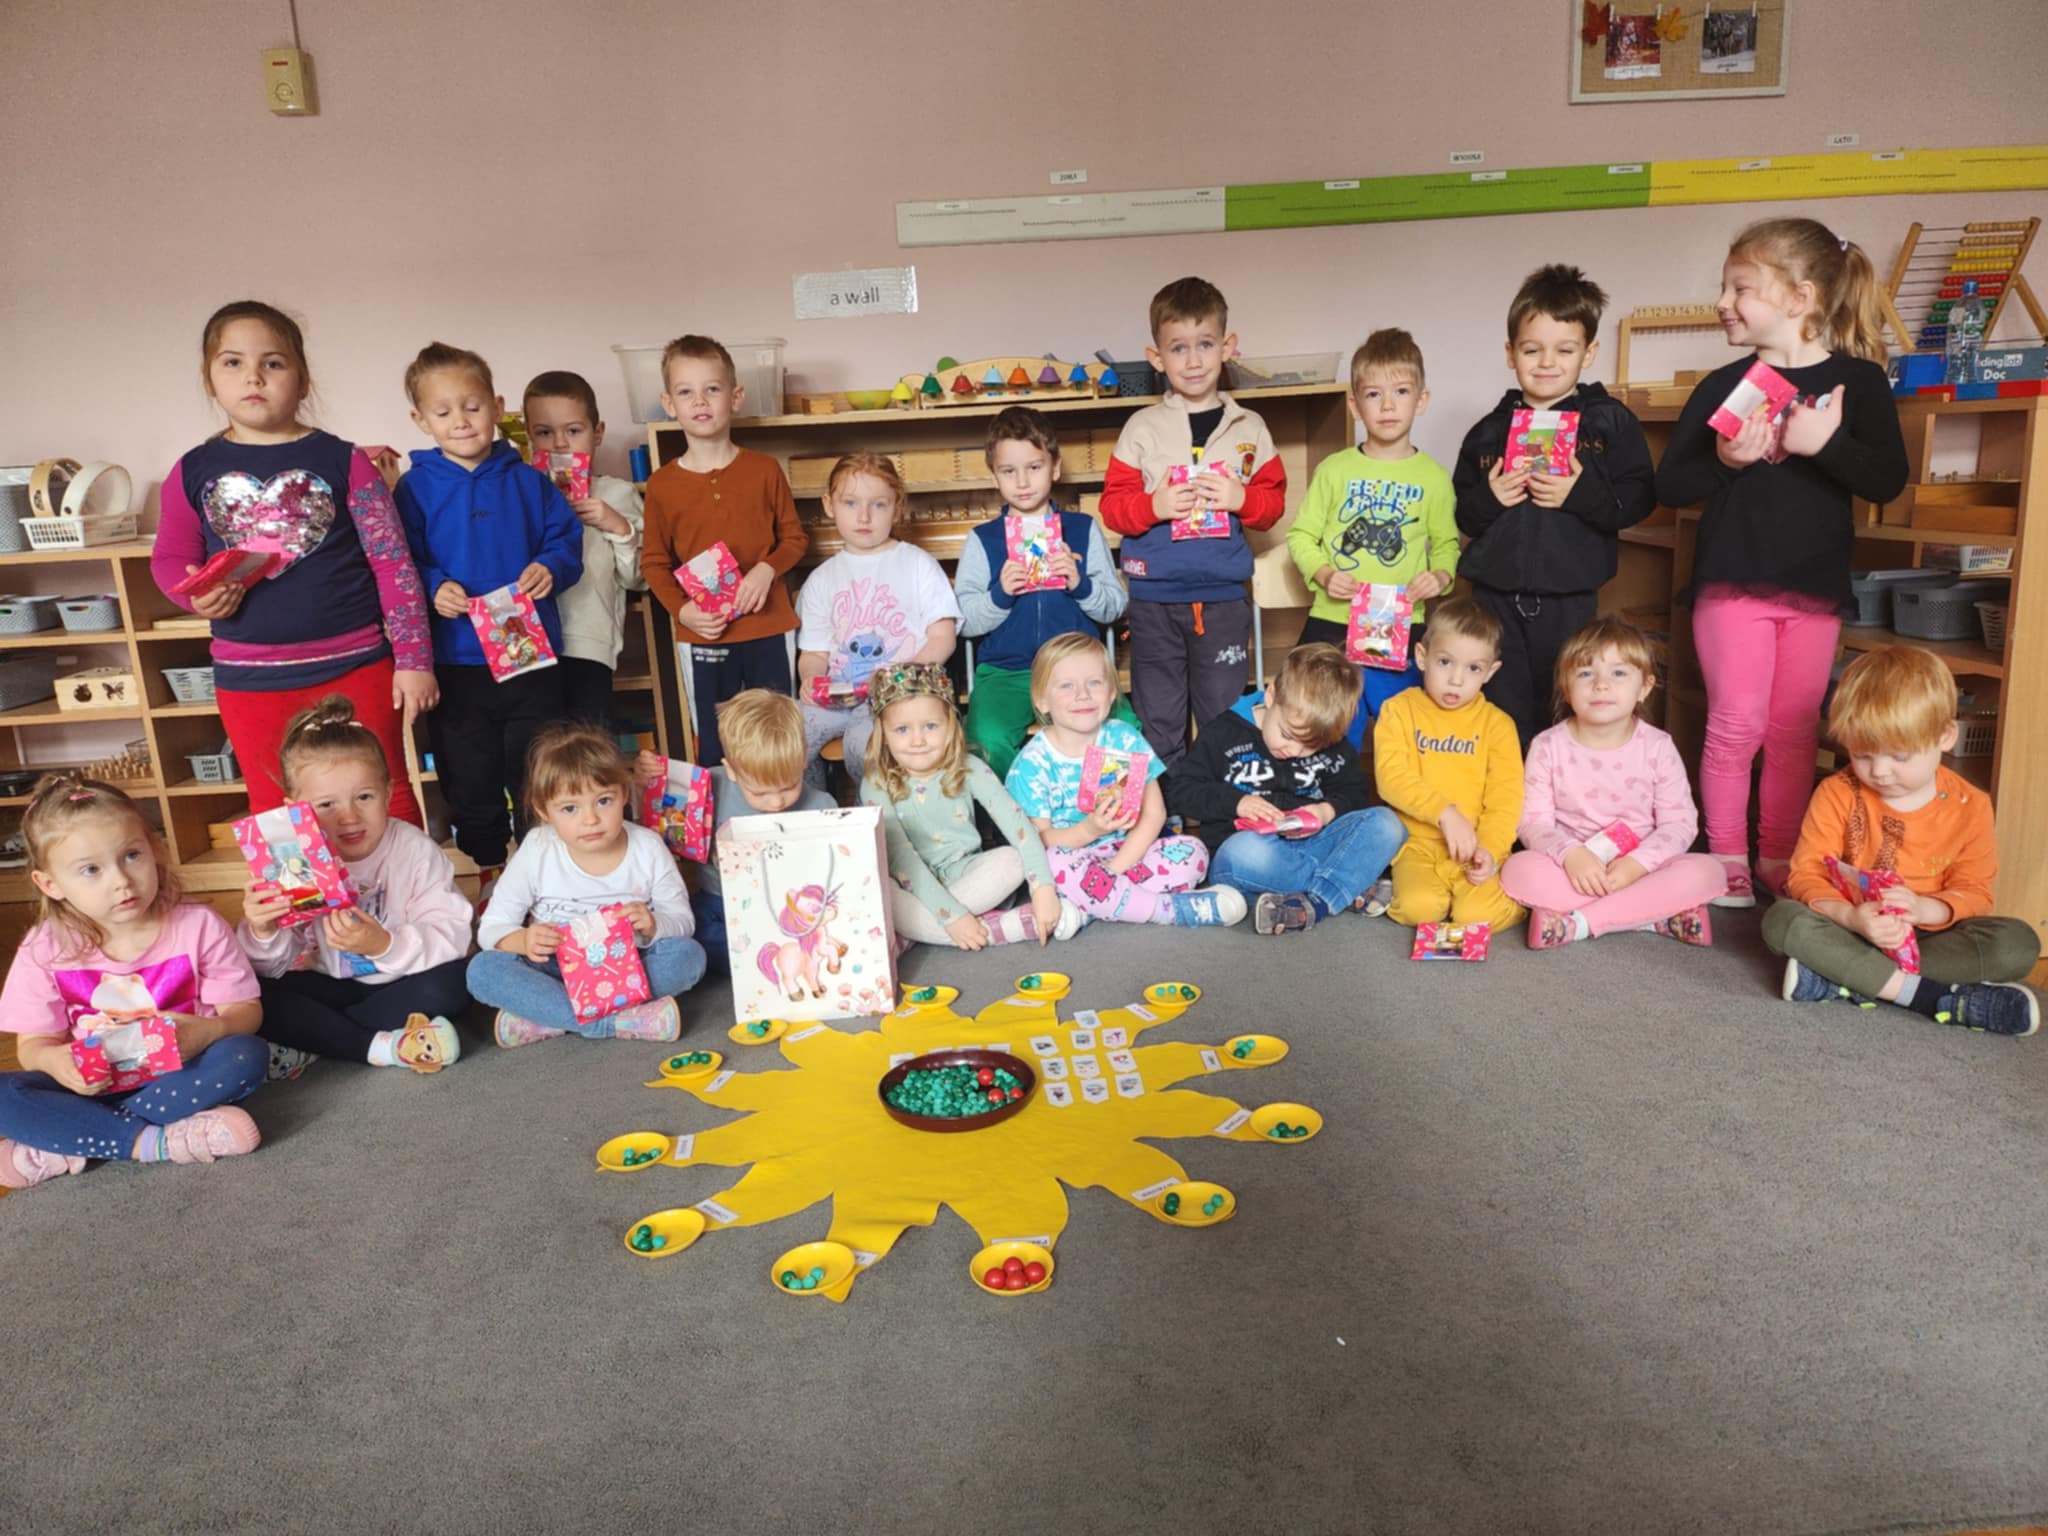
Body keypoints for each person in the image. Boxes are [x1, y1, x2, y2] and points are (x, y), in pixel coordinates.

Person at [1655, 219, 1908, 907]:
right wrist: (1725, 459)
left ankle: (1777, 857)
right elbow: (1669, 486)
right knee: (1736, 722)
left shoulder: (1858, 382)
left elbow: (1887, 480)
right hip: (1731, 584)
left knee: (1794, 730)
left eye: (1740, 288)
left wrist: (1825, 442)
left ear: (1800, 297)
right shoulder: (1723, 384)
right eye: (1724, 287)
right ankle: (1726, 856)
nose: (1722, 302)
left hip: (1814, 590)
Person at [150, 300, 436, 824]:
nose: (253, 376)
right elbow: (170, 558)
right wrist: (193, 595)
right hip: (249, 677)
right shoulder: (191, 470)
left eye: (273, 363)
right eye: (232, 362)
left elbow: (393, 565)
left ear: (303, 381)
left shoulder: (347, 462)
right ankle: (306, 890)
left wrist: (414, 660)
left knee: (383, 794)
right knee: (275, 811)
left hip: (357, 666)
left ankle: (407, 884)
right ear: (210, 379)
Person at [0, 777, 267, 1188]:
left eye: (131, 855)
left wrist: (211, 1030)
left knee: (246, 1054)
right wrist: (56, 1062)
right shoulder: (43, 947)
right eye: (91, 870)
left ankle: (72, 1138)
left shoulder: (198, 925)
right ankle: (156, 1141)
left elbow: (246, 1013)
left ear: (154, 849)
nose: (121, 880)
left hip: (180, 1079)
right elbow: (33, 1046)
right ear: (50, 885)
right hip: (87, 1089)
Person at [1765, 645, 2040, 1036]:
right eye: (1862, 754)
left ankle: (1845, 978)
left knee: (2017, 944)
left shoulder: (1972, 805)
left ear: (1945, 736)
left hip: (1929, 936)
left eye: (1899, 756)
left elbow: (1975, 892)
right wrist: (1852, 918)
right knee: (1782, 919)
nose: (1879, 771)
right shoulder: (1836, 793)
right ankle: (1928, 996)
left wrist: (1923, 909)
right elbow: (1805, 875)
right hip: (1852, 929)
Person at [395, 342, 583, 885]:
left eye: (472, 406)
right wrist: (434, 586)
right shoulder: (414, 488)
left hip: (530, 657)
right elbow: (401, 561)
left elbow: (566, 542)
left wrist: (551, 566)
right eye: (443, 411)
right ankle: (490, 871)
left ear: (497, 407)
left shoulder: (529, 481)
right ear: (421, 420)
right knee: (468, 773)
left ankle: (543, 873)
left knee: (536, 768)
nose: (460, 421)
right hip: (457, 663)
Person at [1453, 264, 1656, 750]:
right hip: (1495, 597)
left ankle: (1560, 795)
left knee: (1568, 705)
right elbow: (1462, 514)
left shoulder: (1608, 423)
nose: (1547, 362)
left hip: (1571, 598)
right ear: (1510, 353)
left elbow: (1639, 499)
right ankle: (1511, 798)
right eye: (1531, 350)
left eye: (1564, 350)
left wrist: (1579, 494)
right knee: (1501, 712)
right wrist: (1491, 499)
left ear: (1589, 353)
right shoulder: (1488, 431)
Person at [1099, 277, 1287, 767]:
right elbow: (1113, 507)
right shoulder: (1141, 428)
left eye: (1205, 344)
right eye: (1178, 348)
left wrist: (1240, 497)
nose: (1194, 360)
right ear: (1157, 358)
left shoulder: (1251, 428)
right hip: (1154, 601)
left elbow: (1272, 504)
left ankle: (1219, 802)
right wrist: (1154, 506)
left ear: (1227, 347)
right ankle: (1167, 805)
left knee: (1223, 716)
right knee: (1159, 716)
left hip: (1223, 599)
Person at [237, 695, 472, 1077]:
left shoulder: (413, 849)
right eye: (326, 805)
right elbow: (270, 967)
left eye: (364, 797)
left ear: (388, 793)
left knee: (455, 982)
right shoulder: (293, 859)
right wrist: (264, 929)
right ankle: (378, 1044)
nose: (348, 817)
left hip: (402, 980)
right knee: (253, 995)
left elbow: (454, 934)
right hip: (331, 982)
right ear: (294, 809)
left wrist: (384, 945)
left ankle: (327, 1039)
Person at [470, 724, 704, 1047]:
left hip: (629, 967)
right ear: (543, 810)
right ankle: (614, 1022)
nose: (590, 819)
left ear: (624, 794)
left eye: (603, 801)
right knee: (482, 970)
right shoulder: (538, 848)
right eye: (570, 808)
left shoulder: (648, 846)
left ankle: (548, 1018)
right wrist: (523, 940)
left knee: (689, 956)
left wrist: (653, 924)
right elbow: (491, 929)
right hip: (555, 971)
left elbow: (683, 921)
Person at [1500, 618, 1727, 948]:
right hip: (1574, 870)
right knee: (1517, 870)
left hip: (1645, 868)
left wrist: (1637, 865)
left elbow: (1678, 824)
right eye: (1585, 673)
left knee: (1709, 871)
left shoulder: (1658, 746)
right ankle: (1653, 917)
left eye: (1618, 673)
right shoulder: (1547, 745)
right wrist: (1572, 855)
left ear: (1645, 687)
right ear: (1565, 687)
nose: (1601, 685)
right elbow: (1533, 822)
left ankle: (1578, 924)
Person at [1286, 329, 1458, 752]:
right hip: (1334, 620)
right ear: (1354, 405)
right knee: (1323, 722)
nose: (1387, 405)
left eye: (1401, 392)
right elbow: (1301, 535)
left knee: (1404, 728)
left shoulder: (1434, 478)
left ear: (1421, 400)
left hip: (1402, 623)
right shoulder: (1334, 469)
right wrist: (1324, 573)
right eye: (1373, 394)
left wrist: (1440, 577)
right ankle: (1332, 789)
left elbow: (1447, 546)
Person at [640, 334, 808, 766]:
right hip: (704, 632)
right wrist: (683, 611)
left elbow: (794, 539)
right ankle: (724, 812)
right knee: (716, 745)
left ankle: (784, 807)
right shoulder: (661, 485)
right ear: (668, 404)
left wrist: (766, 570)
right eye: (685, 392)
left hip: (769, 627)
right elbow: (654, 563)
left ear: (735, 397)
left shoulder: (764, 470)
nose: (700, 401)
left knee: (780, 738)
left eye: (712, 388)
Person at [1004, 633, 1245, 929]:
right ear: (1042, 700)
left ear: (1111, 693)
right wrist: (1088, 830)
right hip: (1072, 859)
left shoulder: (1123, 737)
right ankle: (1165, 910)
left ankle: (1088, 909)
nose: (1083, 694)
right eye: (1066, 685)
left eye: (1095, 682)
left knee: (1192, 851)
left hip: (1128, 853)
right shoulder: (1031, 765)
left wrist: (1114, 870)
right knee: (1052, 864)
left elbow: (1154, 814)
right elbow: (1038, 841)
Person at [1167, 642, 1405, 937]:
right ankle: (1344, 886)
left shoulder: (1327, 737)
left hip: (1312, 845)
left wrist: (1325, 811)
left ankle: (1313, 903)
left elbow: (1354, 794)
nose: (1294, 751)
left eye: (1311, 747)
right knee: (1244, 852)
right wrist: (1237, 802)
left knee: (1387, 824)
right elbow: (1181, 790)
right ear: (1271, 697)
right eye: (1287, 735)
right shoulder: (1223, 733)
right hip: (1250, 854)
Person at [955, 406, 1133, 779]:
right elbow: (965, 621)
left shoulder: (1082, 528)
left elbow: (1114, 606)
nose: (1022, 481)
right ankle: (1024, 809)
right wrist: (1000, 594)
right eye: (1009, 471)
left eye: (1034, 467)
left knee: (1125, 731)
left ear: (1054, 468)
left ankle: (1105, 809)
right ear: (994, 475)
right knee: (985, 740)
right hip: (1006, 671)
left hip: (1078, 668)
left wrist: (1080, 583)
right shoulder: (983, 539)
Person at [861, 662, 1063, 948]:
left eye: (930, 726)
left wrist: (1043, 888)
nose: (918, 740)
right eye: (902, 729)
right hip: (909, 883)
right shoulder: (876, 782)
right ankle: (994, 930)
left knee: (1011, 861)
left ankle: (915, 933)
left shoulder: (969, 767)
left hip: (964, 873)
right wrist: (953, 916)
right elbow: (902, 860)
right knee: (879, 889)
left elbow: (1018, 825)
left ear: (950, 725)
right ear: (884, 733)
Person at [636, 691, 834, 978]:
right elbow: (658, 830)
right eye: (760, 792)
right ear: (731, 769)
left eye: (789, 787)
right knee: (690, 931)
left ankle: (765, 954)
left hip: (789, 907)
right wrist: (647, 784)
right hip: (721, 903)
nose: (776, 802)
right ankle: (762, 954)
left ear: (804, 758)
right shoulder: (707, 787)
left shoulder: (823, 805)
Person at [796, 454, 959, 785]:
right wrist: (811, 677)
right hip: (837, 696)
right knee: (787, 736)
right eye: (850, 503)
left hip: (896, 697)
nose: (864, 516)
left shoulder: (917, 564)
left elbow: (943, 638)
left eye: (879, 505)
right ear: (828, 505)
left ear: (897, 508)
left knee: (863, 746)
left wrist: (897, 678)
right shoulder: (822, 579)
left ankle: (870, 808)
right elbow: (814, 652)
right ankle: (813, 805)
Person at [1372, 598, 1525, 931]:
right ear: (1422, 657)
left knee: (1476, 916)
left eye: (1473, 669)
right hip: (1417, 845)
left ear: (1490, 672)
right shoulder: (1398, 710)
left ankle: (1525, 900)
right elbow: (1391, 777)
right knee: (1418, 909)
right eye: (1445, 662)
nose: (1456, 680)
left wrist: (1490, 848)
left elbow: (1506, 798)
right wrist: (1444, 813)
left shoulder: (1498, 725)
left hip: (1477, 847)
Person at [522, 370, 647, 727]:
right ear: (529, 436)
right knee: (534, 746)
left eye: (573, 431)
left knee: (589, 743)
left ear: (598, 432)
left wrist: (619, 527)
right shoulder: (519, 494)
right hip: (526, 641)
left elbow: (639, 578)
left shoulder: (618, 494)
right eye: (544, 432)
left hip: (588, 644)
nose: (560, 444)